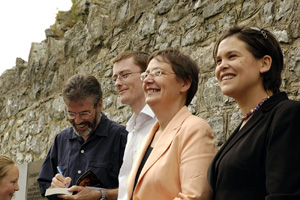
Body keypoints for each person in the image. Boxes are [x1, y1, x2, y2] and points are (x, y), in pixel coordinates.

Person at [207, 26, 300, 199]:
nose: (222, 66)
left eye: (232, 56)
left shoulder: (287, 115)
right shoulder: (246, 123)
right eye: (218, 61)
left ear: (264, 63)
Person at [59, 51, 157, 200]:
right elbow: (129, 190)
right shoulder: (132, 130)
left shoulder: (161, 124)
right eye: (115, 77)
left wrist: (100, 195)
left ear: (146, 77)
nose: (117, 83)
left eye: (125, 75)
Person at [127, 49, 217, 200]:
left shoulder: (195, 129)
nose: (148, 80)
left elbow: (194, 197)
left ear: (185, 83)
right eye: (146, 75)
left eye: (158, 73)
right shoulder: (150, 135)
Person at [37, 74, 128, 200]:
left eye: (84, 113)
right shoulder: (61, 139)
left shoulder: (122, 137)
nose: (78, 121)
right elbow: (44, 185)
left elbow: (136, 188)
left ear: (99, 105)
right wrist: (54, 187)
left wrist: (100, 195)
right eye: (71, 114)